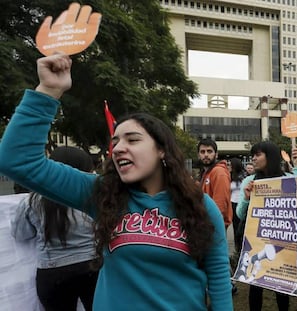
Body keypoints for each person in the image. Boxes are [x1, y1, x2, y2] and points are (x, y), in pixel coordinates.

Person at [0, 53, 232, 311]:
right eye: (116, 142)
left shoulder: (200, 206)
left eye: (132, 140)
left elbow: (219, 276)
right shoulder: (103, 194)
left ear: (161, 150)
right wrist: (48, 91)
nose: (119, 148)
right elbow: (15, 160)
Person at [11, 146, 98, 311]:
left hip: (52, 272)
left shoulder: (33, 199)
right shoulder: (93, 196)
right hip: (93, 266)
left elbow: (20, 234)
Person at [236, 142, 297, 311]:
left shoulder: (288, 180)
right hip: (256, 240)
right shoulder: (249, 181)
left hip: (281, 242)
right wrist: (246, 198)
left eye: (258, 154)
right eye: (253, 155)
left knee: (281, 284)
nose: (253, 159)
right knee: (255, 282)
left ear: (270, 157)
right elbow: (239, 214)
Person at [197, 138, 233, 229]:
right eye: (202, 152)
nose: (206, 155)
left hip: (214, 225)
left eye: (209, 151)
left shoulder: (219, 172)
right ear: (198, 155)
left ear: (216, 155)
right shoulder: (207, 172)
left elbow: (220, 204)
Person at [228, 157, 245, 253]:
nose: (228, 166)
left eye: (230, 165)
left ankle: (242, 247)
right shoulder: (229, 176)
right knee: (235, 226)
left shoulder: (243, 176)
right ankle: (237, 248)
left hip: (242, 203)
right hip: (232, 203)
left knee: (241, 226)